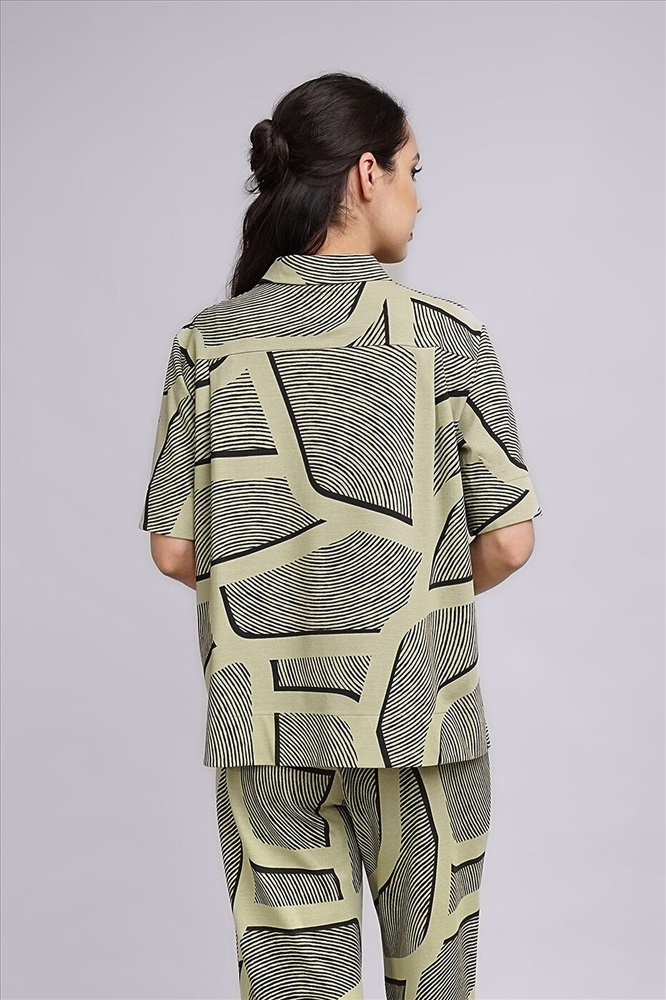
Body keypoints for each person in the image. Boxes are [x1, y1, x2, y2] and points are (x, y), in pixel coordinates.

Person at [138, 71, 543, 1000]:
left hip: (265, 729)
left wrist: (292, 589)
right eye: (412, 170)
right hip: (421, 718)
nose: (419, 197)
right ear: (367, 174)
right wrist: (414, 587)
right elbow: (509, 542)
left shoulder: (208, 341)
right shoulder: (448, 335)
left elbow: (174, 550)